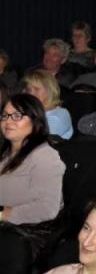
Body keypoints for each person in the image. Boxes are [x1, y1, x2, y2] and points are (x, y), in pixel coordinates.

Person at [0, 94, 65, 226]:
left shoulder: (45, 156)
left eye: (17, 116)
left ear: (35, 120)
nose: (8, 121)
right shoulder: (7, 152)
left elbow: (47, 209)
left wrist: (2, 214)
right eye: (4, 115)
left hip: (20, 230)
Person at [22, 69, 73, 140]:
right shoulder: (30, 111)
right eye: (28, 90)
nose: (31, 94)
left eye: (36, 89)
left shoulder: (57, 116)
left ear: (49, 90)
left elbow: (39, 143)